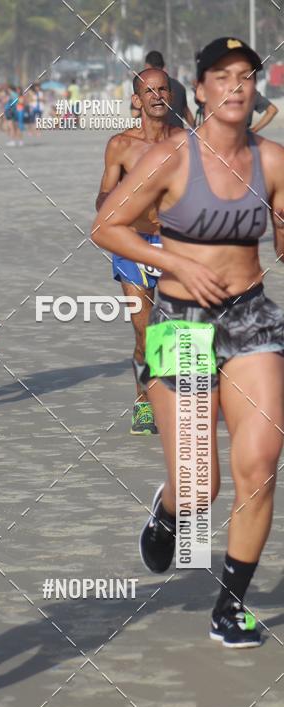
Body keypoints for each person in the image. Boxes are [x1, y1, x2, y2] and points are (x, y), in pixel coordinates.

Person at [92, 37, 284, 648]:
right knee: (202, 484)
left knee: (259, 465)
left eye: (245, 77)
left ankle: (230, 606)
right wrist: (176, 260)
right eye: (221, 77)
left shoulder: (274, 161)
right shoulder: (170, 157)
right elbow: (106, 226)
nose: (235, 86)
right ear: (197, 91)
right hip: (180, 322)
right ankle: (172, 509)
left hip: (251, 318)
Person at [96, 68, 179, 436]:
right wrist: (116, 202)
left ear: (171, 96)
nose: (157, 96)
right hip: (133, 244)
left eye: (163, 89)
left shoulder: (188, 141)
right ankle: (144, 401)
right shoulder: (121, 145)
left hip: (177, 245)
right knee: (144, 332)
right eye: (149, 91)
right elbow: (103, 195)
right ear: (137, 99)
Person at [144, 50, 194, 128]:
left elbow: (135, 113)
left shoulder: (145, 88)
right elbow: (186, 112)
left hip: (157, 137)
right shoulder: (179, 86)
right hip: (179, 136)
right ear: (163, 65)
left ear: (147, 66)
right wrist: (197, 133)